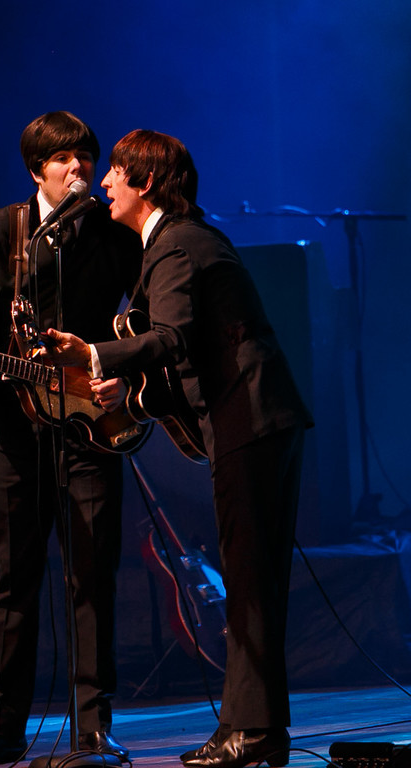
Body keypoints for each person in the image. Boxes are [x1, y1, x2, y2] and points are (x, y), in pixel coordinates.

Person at [46, 130, 312, 768]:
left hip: (249, 423)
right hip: (256, 421)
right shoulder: (178, 244)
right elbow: (191, 353)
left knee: (249, 584)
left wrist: (89, 353)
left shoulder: (177, 246)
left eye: (114, 172)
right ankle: (259, 730)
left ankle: (247, 731)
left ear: (144, 182)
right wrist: (129, 401)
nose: (103, 182)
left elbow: (168, 338)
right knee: (255, 582)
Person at [0, 111, 142, 767]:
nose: (79, 167)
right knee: (15, 579)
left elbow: (150, 316)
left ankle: (92, 729)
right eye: (64, 159)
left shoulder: (114, 233)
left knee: (91, 576)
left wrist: (118, 378)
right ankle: (3, 731)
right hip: (14, 431)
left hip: (90, 426)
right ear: (36, 170)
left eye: (85, 156)